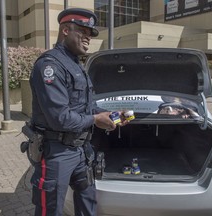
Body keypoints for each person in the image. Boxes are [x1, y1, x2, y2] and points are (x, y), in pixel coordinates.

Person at [29, 8, 128, 216]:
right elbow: (60, 118)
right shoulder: (50, 66)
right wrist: (95, 119)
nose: (88, 38)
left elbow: (87, 107)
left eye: (90, 34)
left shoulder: (76, 66)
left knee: (87, 202)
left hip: (81, 150)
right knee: (51, 209)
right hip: (56, 152)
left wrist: (109, 115)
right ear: (65, 30)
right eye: (83, 31)